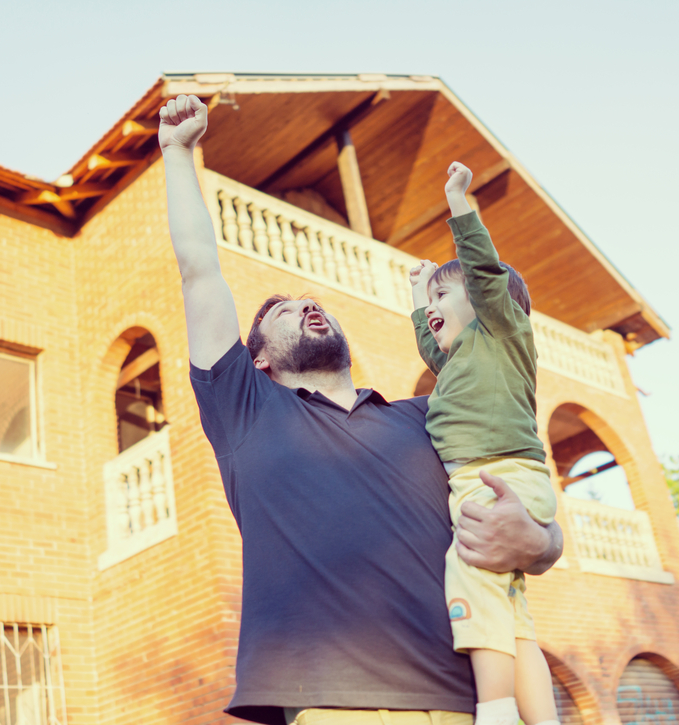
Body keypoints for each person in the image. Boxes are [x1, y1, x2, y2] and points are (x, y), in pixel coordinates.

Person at [158, 94, 563, 725]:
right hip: (337, 704)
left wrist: (540, 541)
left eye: (309, 299)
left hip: (470, 706)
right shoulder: (244, 408)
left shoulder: (424, 420)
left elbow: (515, 496)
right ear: (257, 359)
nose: (306, 302)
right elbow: (199, 271)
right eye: (281, 310)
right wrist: (178, 154)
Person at [407, 162, 560, 725]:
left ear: (484, 297)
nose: (432, 308)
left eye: (445, 293)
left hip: (499, 479)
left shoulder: (502, 329)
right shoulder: (460, 362)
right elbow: (431, 344)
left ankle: (494, 713)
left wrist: (457, 202)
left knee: (469, 580)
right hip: (494, 479)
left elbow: (483, 272)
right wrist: (420, 291)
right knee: (513, 618)